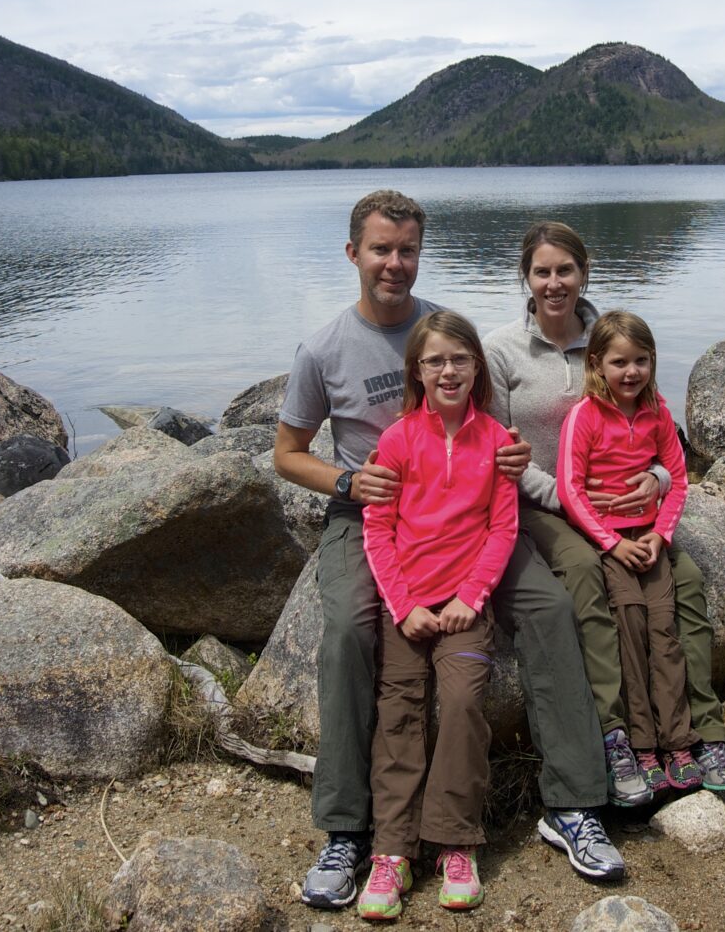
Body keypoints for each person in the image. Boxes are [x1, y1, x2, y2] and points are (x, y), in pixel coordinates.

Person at [275, 191, 626, 913]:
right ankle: (347, 828)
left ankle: (573, 803)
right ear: (354, 255)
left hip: (470, 517)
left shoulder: (440, 332)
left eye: (406, 250)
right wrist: (348, 478)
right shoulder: (323, 347)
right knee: (347, 630)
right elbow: (286, 455)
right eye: (380, 249)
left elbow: (489, 420)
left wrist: (517, 457)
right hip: (370, 514)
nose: (394, 264)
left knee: (551, 606)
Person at [485, 221, 725, 805]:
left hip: (622, 506)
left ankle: (702, 735)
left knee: (687, 582)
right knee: (587, 576)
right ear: (525, 278)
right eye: (542, 272)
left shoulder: (612, 341)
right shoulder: (501, 350)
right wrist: (570, 501)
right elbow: (496, 449)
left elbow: (660, 436)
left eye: (565, 270)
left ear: (584, 272)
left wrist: (655, 481)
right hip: (541, 504)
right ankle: (618, 736)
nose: (554, 283)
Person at [356, 310, 516, 919]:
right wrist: (403, 606)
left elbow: (502, 528)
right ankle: (392, 852)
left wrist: (469, 598)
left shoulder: (498, 440)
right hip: (407, 607)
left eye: (459, 359)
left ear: (477, 366)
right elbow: (378, 529)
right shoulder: (397, 439)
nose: (447, 371)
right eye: (435, 361)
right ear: (417, 371)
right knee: (398, 710)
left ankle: (455, 842)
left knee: (464, 703)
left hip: (464, 609)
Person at [557, 311, 697, 791]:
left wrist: (661, 535)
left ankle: (677, 741)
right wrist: (612, 544)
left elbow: (677, 479)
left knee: (665, 629)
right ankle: (641, 745)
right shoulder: (586, 416)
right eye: (619, 362)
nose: (631, 372)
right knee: (631, 625)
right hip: (610, 541)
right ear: (597, 363)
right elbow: (570, 490)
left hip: (649, 537)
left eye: (641, 360)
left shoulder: (658, 412)